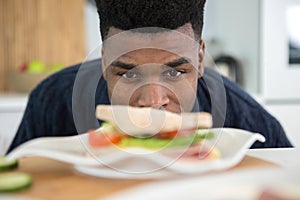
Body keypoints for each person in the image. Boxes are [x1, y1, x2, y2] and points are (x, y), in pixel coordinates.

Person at [6, 0, 292, 153]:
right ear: (104, 60)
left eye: (174, 71)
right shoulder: (52, 101)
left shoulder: (252, 125)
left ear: (201, 59)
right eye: (128, 73)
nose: (152, 102)